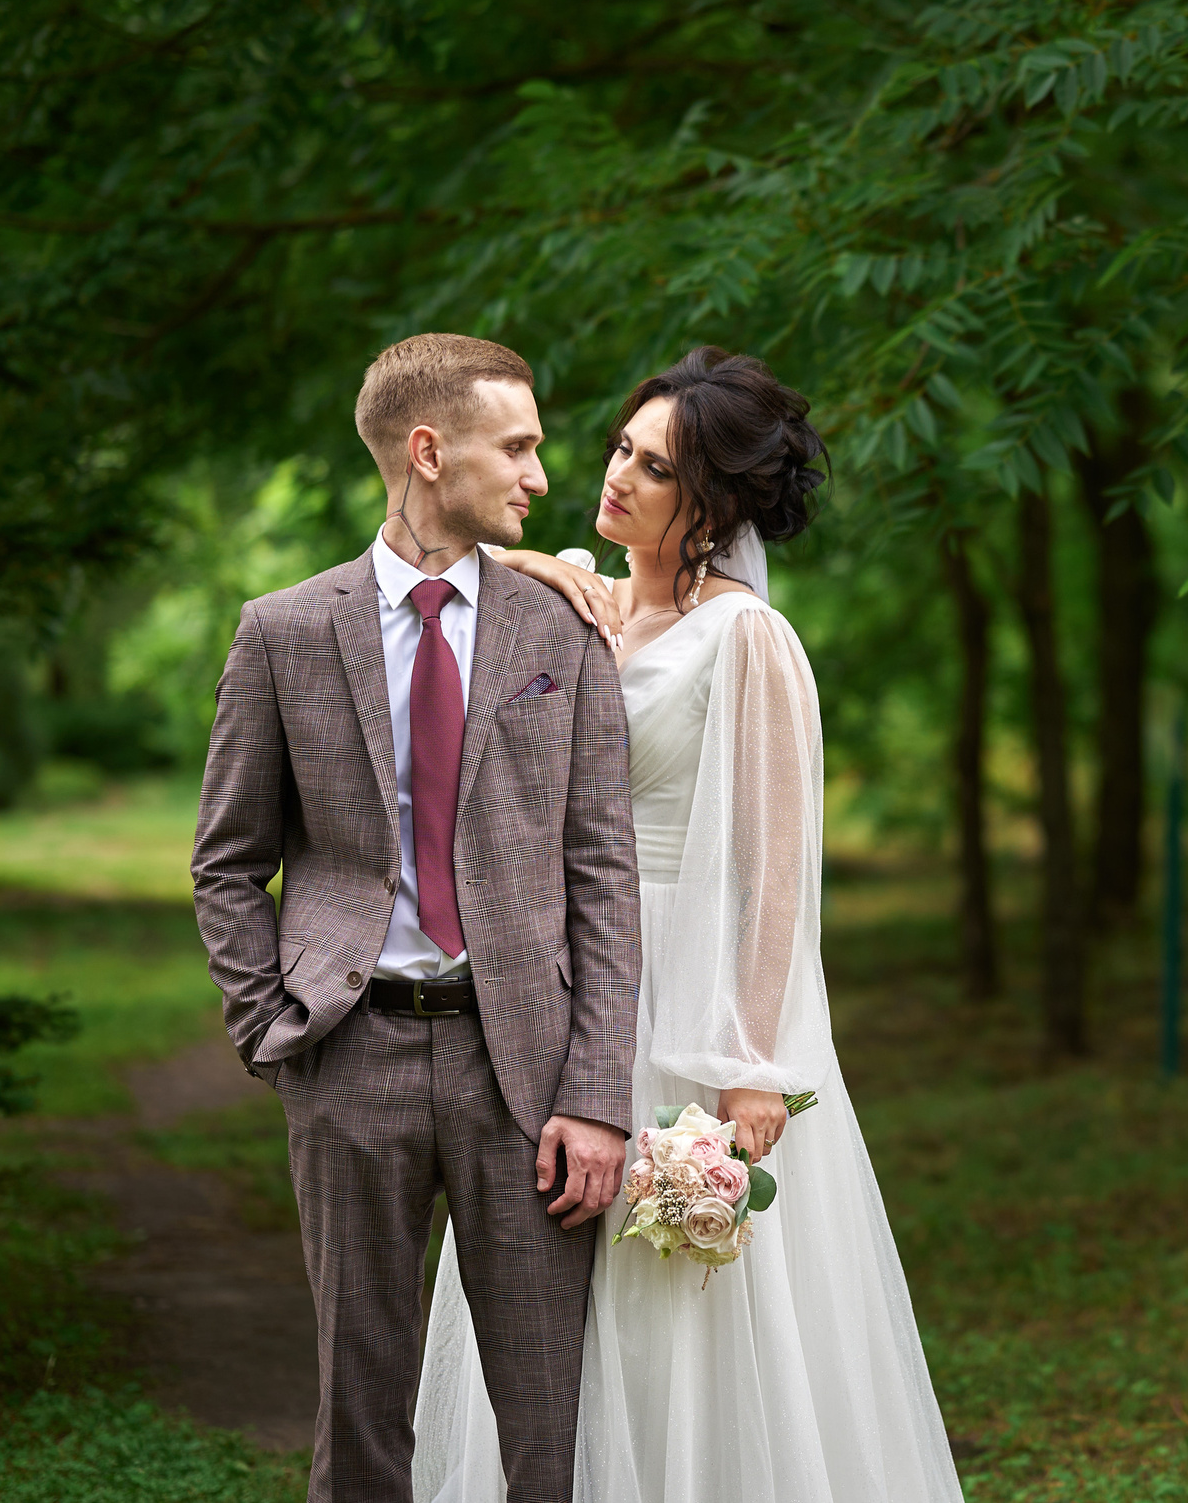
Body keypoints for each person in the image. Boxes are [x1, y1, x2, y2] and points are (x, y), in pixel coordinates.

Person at [412, 346, 963, 1503]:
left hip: (681, 994)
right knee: (540, 1277)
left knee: (671, 1302)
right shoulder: (570, 591)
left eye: (653, 467)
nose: (614, 474)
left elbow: (771, 870)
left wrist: (749, 1065)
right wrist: (527, 562)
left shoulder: (745, 637)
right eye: (619, 445)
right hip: (552, 989)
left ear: (710, 504)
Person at [191, 334, 642, 1503]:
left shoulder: (562, 627)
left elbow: (601, 869)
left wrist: (595, 1093)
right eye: (520, 445)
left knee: (550, 1415)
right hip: (351, 1053)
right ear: (429, 451)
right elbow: (228, 860)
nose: (543, 475)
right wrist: (268, 1026)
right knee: (360, 1405)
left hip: (527, 1074)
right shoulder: (285, 630)